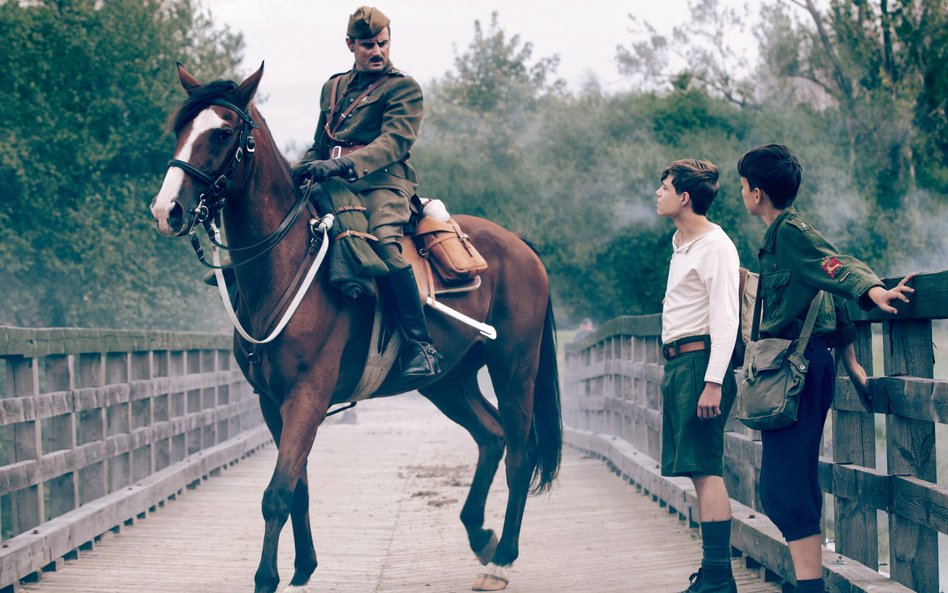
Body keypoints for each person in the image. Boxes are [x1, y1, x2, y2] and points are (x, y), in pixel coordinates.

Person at [738, 144, 914, 593]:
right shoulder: (781, 236)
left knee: (781, 487)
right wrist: (851, 360)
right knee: (794, 481)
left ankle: (810, 588)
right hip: (806, 367)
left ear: (756, 193)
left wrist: (873, 290)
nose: (742, 193)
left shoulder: (792, 233)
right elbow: (824, 291)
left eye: (742, 186)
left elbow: (836, 267)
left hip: (796, 373)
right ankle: (808, 584)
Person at [291, 6, 440, 379]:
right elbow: (319, 143)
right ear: (350, 45)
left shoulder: (402, 87)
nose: (377, 51)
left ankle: (420, 344)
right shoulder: (333, 87)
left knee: (386, 245)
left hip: (383, 183)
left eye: (383, 43)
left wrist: (340, 164)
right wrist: (300, 169)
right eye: (368, 45)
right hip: (334, 181)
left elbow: (394, 142)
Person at [656, 159, 740, 593]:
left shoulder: (715, 245)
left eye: (664, 186)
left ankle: (720, 577)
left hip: (700, 364)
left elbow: (725, 320)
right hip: (680, 364)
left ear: (684, 196)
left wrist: (712, 381)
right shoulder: (682, 243)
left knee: (707, 469)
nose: (658, 193)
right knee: (696, 469)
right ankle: (713, 572)